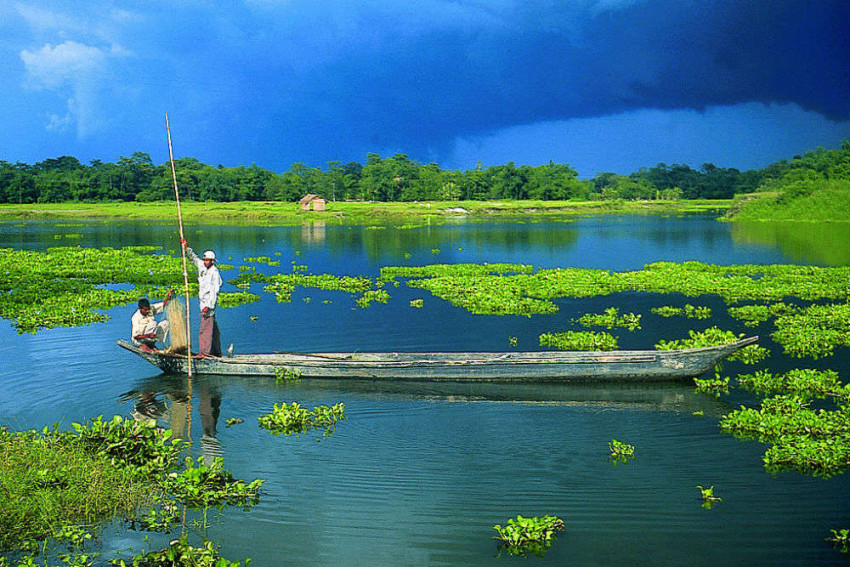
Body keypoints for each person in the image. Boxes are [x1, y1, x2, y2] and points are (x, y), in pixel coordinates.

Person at [181, 239, 223, 357]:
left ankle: (204, 352)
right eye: (204, 260)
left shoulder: (215, 273)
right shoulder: (202, 266)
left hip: (208, 305)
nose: (205, 262)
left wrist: (208, 306)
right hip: (203, 303)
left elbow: (214, 292)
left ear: (212, 261)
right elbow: (193, 258)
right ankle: (216, 352)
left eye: (207, 260)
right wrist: (186, 247)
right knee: (213, 329)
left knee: (204, 329)